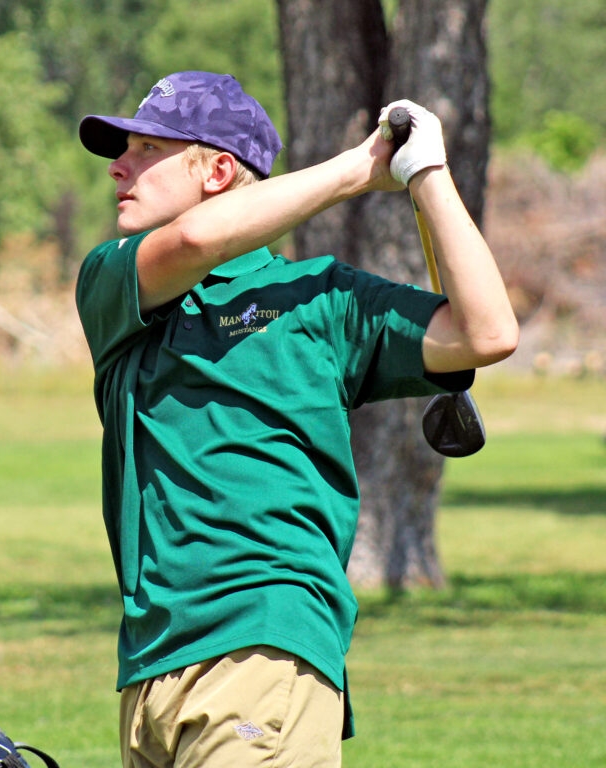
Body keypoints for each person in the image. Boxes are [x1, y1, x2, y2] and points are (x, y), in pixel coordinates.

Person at [74, 71, 517, 768]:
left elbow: (486, 331)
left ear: (219, 170)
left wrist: (424, 174)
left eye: (145, 150)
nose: (117, 166)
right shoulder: (113, 279)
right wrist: (357, 170)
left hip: (265, 645)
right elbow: (193, 242)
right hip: (149, 667)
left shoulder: (324, 300)